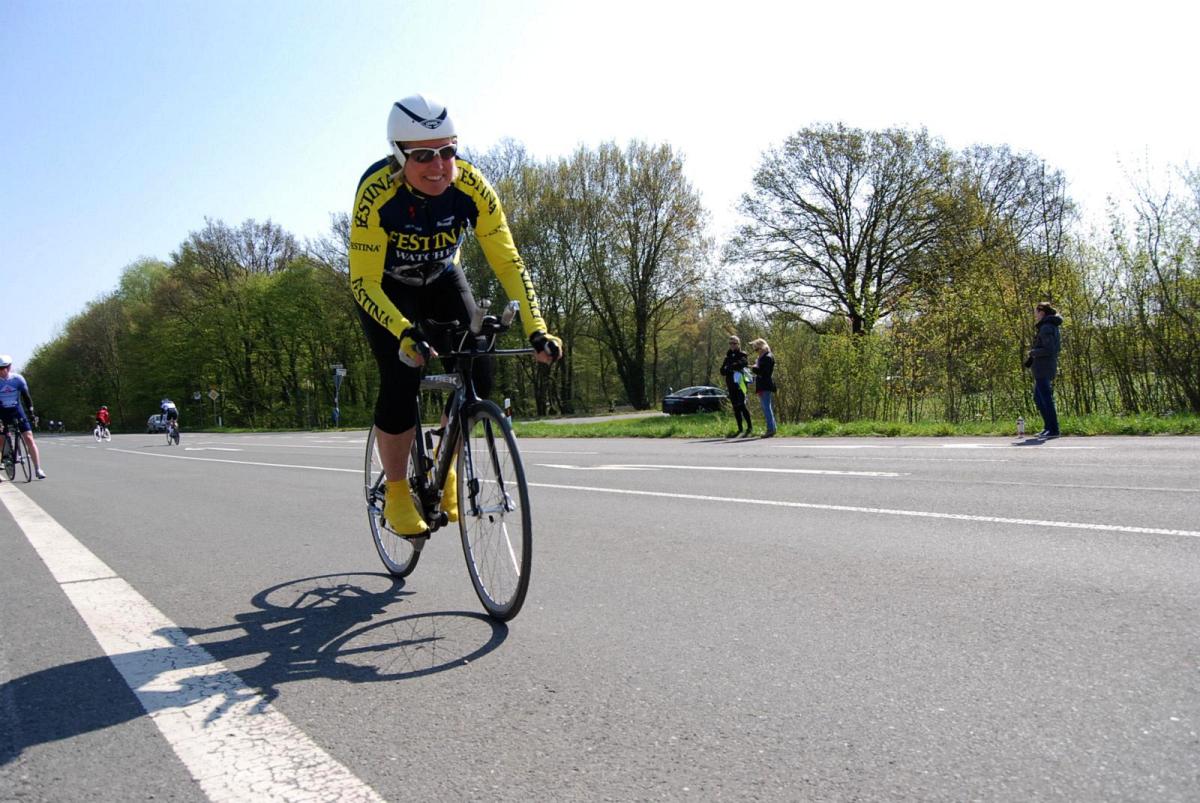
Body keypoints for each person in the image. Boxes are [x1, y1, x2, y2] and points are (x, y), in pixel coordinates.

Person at [350, 93, 562, 536]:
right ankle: (396, 493)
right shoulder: (376, 193)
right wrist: (403, 331)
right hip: (388, 288)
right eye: (423, 155)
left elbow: (508, 262)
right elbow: (363, 282)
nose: (439, 166)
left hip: (443, 277)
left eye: (448, 151)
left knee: (478, 367)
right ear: (398, 155)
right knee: (402, 373)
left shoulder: (471, 187)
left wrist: (537, 329)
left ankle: (446, 466)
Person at [0, 355, 47, 479]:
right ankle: (5, 458)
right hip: (2, 411)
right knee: (1, 439)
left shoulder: (18, 379)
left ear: (10, 367)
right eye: (0, 368)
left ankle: (38, 469)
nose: (3, 371)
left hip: (17, 410)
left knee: (29, 438)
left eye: (6, 367)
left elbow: (26, 397)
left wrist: (31, 413)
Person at [1024, 301, 1063, 439]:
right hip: (1044, 367)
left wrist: (1033, 352)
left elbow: (1049, 349)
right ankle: (1048, 428)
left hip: (1044, 367)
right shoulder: (1050, 326)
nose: (1035, 315)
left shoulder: (1046, 327)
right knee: (1039, 397)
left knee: (1046, 399)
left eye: (1036, 312)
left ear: (1042, 312)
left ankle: (1053, 429)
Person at [719, 336, 753, 437]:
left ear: (738, 344)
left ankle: (749, 427)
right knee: (735, 407)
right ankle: (740, 429)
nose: (732, 345)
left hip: (741, 383)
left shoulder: (743, 354)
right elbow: (722, 371)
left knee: (742, 405)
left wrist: (730, 367)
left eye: (734, 343)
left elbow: (742, 364)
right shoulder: (727, 356)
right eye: (730, 343)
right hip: (731, 384)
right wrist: (731, 367)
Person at [749, 338, 778, 438]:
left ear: (762, 347)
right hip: (763, 385)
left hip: (765, 385)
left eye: (757, 349)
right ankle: (773, 428)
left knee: (766, 408)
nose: (756, 352)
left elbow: (764, 373)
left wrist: (754, 369)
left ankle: (770, 429)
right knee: (767, 408)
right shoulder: (764, 357)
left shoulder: (767, 357)